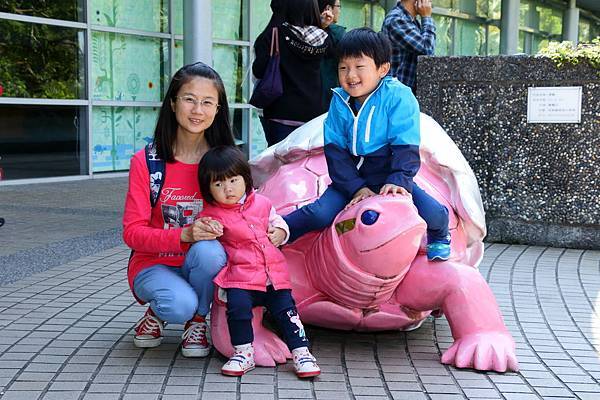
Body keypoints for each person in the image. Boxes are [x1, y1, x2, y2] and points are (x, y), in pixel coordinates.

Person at [283, 28, 451, 261]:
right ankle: (277, 231)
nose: (350, 75)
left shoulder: (399, 97)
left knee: (431, 213)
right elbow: (335, 151)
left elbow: (405, 144)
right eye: (343, 67)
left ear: (382, 69)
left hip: (389, 172)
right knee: (320, 214)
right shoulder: (339, 100)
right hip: (350, 175)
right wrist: (355, 188)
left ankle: (440, 234)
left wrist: (398, 180)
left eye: (359, 66)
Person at [123, 62, 235, 357]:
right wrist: (183, 234)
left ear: (218, 109)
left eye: (207, 102)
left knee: (210, 251)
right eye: (189, 99)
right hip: (152, 263)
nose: (197, 110)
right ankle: (159, 313)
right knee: (179, 304)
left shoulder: (223, 163)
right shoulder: (147, 162)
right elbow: (132, 233)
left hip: (200, 262)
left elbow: (244, 211)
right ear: (173, 103)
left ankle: (197, 321)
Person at [197, 146, 321, 378]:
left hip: (273, 277)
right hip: (241, 278)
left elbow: (278, 221)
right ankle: (244, 352)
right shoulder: (212, 213)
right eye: (218, 184)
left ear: (245, 178)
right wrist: (209, 228)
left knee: (287, 313)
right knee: (238, 311)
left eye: (233, 180)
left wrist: (280, 232)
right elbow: (202, 227)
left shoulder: (262, 203)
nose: (227, 189)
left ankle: (302, 352)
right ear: (208, 189)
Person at [253, 0, 333, 146]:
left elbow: (258, 70)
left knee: (279, 164)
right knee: (306, 165)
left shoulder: (274, 33)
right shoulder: (323, 37)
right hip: (314, 115)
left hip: (281, 112)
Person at [381, 0, 435, 93]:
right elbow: (427, 50)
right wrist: (427, 17)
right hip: (395, 93)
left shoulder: (411, 21)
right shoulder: (397, 20)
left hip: (403, 92)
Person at [318, 0, 346, 107]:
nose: (339, 10)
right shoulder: (338, 33)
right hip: (332, 94)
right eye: (338, 6)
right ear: (328, 8)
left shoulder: (305, 32)